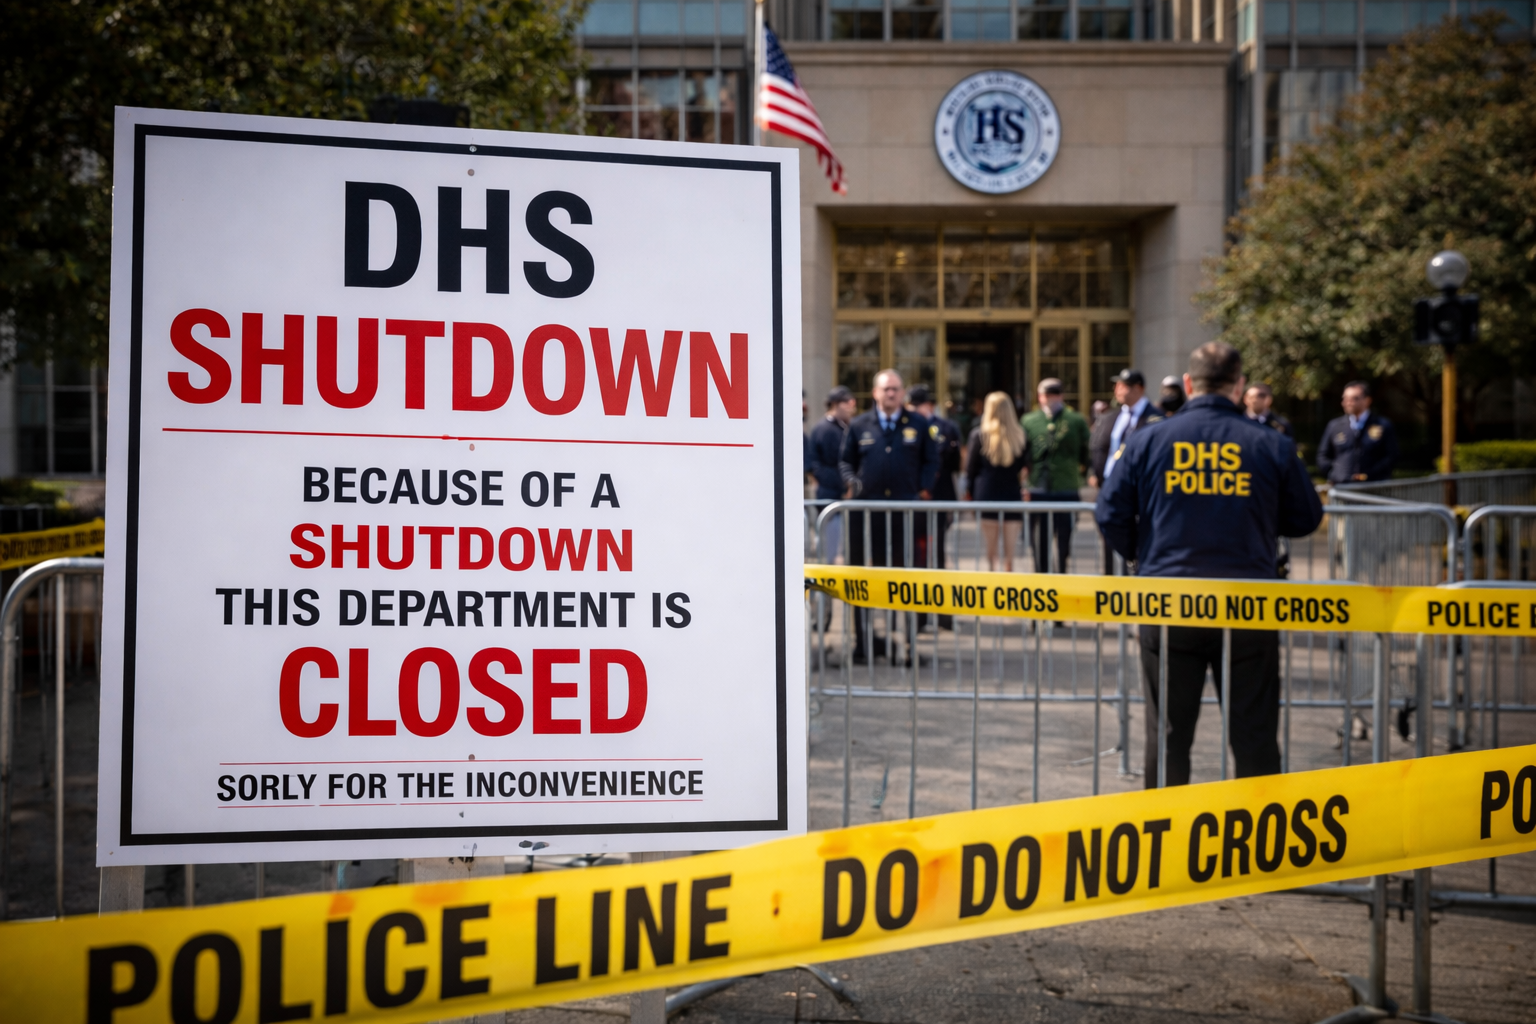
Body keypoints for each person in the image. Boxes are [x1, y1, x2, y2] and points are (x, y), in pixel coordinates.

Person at [1096, 342, 1324, 787]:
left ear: (1188, 383)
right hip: (1248, 605)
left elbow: (1109, 513)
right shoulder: (1270, 443)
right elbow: (1306, 518)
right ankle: (1257, 826)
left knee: (1168, 735)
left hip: (1169, 601)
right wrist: (1259, 519)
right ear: (1239, 386)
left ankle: (1165, 827)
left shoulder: (1149, 440)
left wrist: (1143, 557)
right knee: (1254, 734)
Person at [838, 369, 938, 663]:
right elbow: (845, 462)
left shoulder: (918, 424)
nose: (891, 393)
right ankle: (863, 644)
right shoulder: (859, 425)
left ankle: (906, 646)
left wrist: (922, 488)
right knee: (862, 579)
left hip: (904, 514)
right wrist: (853, 482)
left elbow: (932, 460)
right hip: (866, 515)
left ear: (902, 392)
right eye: (886, 389)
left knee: (905, 580)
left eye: (895, 388)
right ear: (875, 393)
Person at [1089, 368, 1165, 573]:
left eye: (1124, 386)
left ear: (1139, 388)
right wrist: (1095, 474)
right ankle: (1109, 581)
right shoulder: (1110, 418)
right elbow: (1098, 448)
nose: (1118, 390)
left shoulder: (1155, 419)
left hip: (1139, 493)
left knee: (1136, 545)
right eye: (1117, 385)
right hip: (1110, 488)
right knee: (1109, 538)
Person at [1020, 378, 1090, 574]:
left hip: (1066, 487)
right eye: (1046, 395)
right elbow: (1023, 453)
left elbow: (1086, 451)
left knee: (1064, 539)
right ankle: (1042, 577)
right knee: (1039, 539)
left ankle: (1061, 575)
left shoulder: (1075, 420)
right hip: (1038, 488)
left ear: (1061, 396)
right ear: (1039, 397)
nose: (1050, 399)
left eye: (1054, 394)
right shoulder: (1029, 421)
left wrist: (1082, 473)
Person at [908, 384, 961, 630]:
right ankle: (918, 618)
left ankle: (943, 616)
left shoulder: (946, 428)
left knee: (938, 558)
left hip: (939, 500)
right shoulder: (906, 427)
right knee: (916, 559)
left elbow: (955, 463)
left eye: (917, 405)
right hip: (915, 502)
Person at [965, 391, 1031, 571]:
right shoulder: (1020, 436)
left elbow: (970, 469)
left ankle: (992, 580)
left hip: (986, 495)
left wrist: (968, 492)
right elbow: (1026, 466)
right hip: (1012, 494)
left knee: (990, 552)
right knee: (1010, 555)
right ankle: (1008, 580)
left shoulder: (979, 436)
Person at [808, 386, 857, 562]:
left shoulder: (843, 427)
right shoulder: (824, 429)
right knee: (829, 547)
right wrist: (842, 483)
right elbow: (815, 464)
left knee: (840, 546)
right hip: (829, 493)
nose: (851, 406)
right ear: (835, 404)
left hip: (839, 493)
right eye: (846, 402)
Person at [1317, 380, 1399, 484]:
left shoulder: (1382, 425)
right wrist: (1335, 474)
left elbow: (1392, 456)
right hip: (1342, 487)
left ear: (1367, 401)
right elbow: (1322, 456)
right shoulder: (1334, 426)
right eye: (1345, 398)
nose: (1348, 402)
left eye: (1354, 398)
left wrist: (1372, 474)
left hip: (1373, 487)